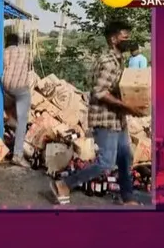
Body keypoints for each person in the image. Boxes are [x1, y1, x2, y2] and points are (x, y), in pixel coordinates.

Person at [49, 21, 148, 206]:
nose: (128, 40)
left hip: (118, 119)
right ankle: (64, 184)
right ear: (113, 39)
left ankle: (127, 197)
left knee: (125, 158)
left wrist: (132, 105)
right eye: (124, 36)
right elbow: (100, 92)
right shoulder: (108, 61)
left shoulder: (118, 60)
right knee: (106, 163)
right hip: (105, 118)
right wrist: (127, 107)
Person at [1, 32, 32, 168]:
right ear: (18, 42)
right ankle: (17, 155)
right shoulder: (25, 51)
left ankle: (8, 122)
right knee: (22, 120)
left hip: (6, 88)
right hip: (20, 89)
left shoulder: (4, 52)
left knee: (7, 106)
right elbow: (30, 67)